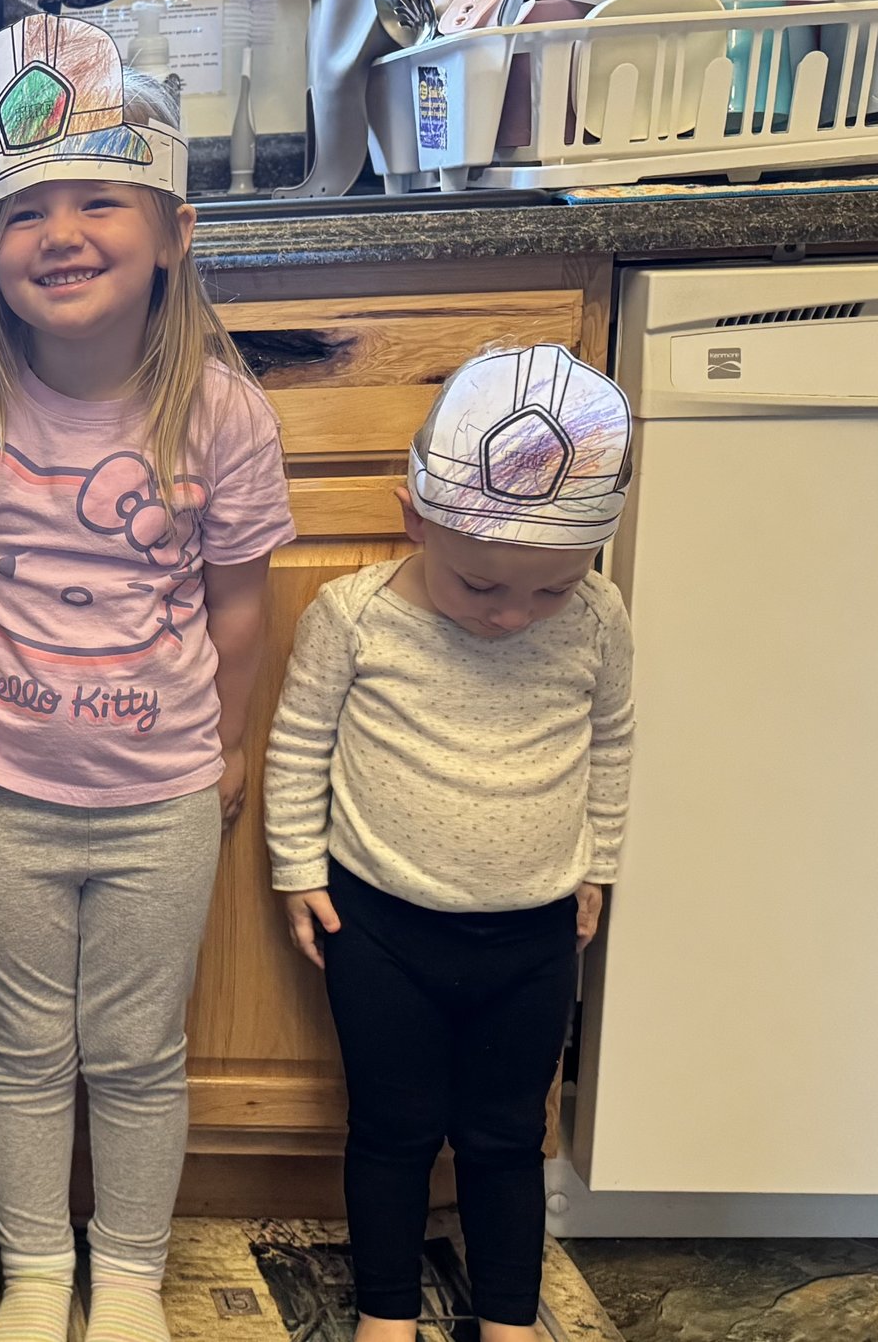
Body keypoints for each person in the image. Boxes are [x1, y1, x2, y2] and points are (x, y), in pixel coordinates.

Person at [0, 15, 298, 1342]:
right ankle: (34, 1272)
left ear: (173, 231)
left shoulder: (224, 411)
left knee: (135, 1050)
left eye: (97, 201)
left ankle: (123, 1273)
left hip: (163, 792)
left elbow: (242, 604)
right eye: (23, 211)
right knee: (20, 1048)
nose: (58, 233)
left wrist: (228, 746)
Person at [265, 343, 636, 1342]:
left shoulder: (597, 617)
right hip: (380, 923)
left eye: (547, 591)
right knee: (390, 1126)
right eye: (480, 587)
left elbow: (610, 738)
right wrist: (297, 867)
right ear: (412, 518)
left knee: (509, 1131)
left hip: (533, 932)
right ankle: (386, 1308)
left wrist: (598, 859)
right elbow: (298, 743)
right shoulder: (353, 616)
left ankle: (508, 1313)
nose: (512, 615)